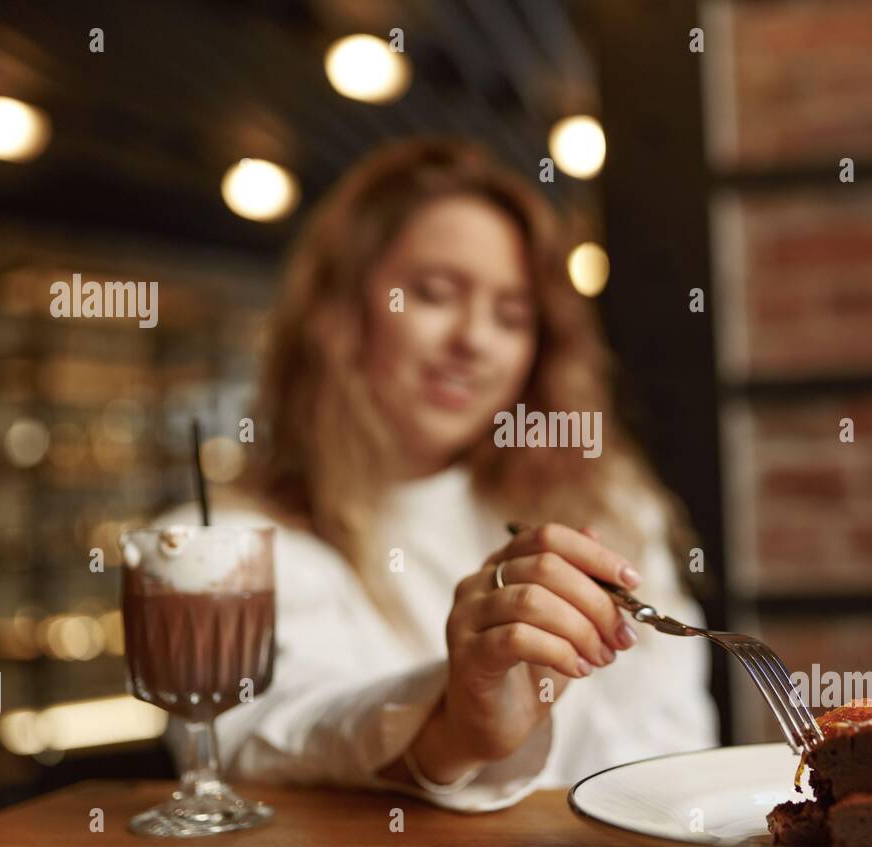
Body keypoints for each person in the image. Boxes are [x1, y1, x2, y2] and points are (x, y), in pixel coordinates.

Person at [161, 137, 718, 811]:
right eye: (432, 294)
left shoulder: (610, 506)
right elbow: (258, 738)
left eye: (512, 316)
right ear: (338, 314)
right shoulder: (211, 544)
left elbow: (677, 753)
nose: (475, 340)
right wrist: (456, 725)